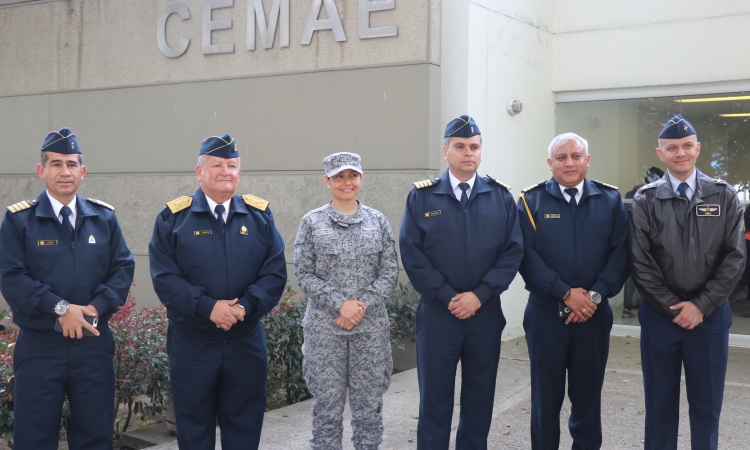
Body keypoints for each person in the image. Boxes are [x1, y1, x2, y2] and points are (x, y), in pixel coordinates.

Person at [148, 134, 287, 450]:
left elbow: (274, 272)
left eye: (232, 165)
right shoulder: (173, 219)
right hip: (193, 344)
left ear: (239, 171)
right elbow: (165, 277)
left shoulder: (260, 217)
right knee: (193, 432)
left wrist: (244, 307)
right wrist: (207, 307)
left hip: (244, 341)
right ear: (199, 172)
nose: (226, 171)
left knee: (245, 428)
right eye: (217, 165)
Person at [0, 127, 135, 449]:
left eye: (71, 164)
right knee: (34, 436)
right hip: (41, 347)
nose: (65, 171)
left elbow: (122, 268)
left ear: (82, 171)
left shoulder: (103, 218)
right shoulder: (20, 220)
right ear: (41, 170)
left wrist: (95, 308)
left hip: (93, 345)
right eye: (56, 164)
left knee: (95, 435)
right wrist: (60, 309)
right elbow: (11, 276)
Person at [399, 115, 524, 449]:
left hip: (484, 316)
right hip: (439, 316)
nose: (468, 152)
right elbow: (412, 255)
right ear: (446, 152)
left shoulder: (500, 197)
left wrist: (479, 296)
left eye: (474, 146)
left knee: (479, 400)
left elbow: (512, 253)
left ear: (481, 152)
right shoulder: (422, 198)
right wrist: (449, 295)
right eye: (460, 146)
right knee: (435, 402)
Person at [629, 115, 745, 450]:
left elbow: (735, 258)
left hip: (709, 319)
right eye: (672, 148)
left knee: (707, 408)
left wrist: (702, 305)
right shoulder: (645, 200)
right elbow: (640, 261)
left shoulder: (724, 196)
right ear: (660, 153)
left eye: (686, 145)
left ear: (697, 148)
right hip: (659, 318)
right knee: (659, 407)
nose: (680, 153)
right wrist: (673, 307)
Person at [516, 132, 629, 450]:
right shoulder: (530, 201)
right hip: (545, 316)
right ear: (550, 163)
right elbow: (525, 256)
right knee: (544, 402)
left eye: (576, 156)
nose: (569, 162)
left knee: (588, 400)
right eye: (561, 157)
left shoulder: (610, 200)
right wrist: (566, 294)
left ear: (588, 160)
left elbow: (621, 256)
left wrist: (592, 298)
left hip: (593, 316)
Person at [294, 152, 399, 450]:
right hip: (325, 333)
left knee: (369, 413)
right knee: (326, 413)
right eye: (339, 176)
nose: (346, 182)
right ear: (326, 180)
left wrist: (358, 306)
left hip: (370, 333)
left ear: (361, 178)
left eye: (352, 175)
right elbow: (303, 274)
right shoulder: (312, 222)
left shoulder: (378, 222)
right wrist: (341, 304)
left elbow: (389, 272)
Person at [622, 166, 664, 318]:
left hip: (635, 240)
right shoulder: (648, 194)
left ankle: (628, 307)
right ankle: (641, 305)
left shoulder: (631, 193)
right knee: (642, 273)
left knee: (632, 275)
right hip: (644, 241)